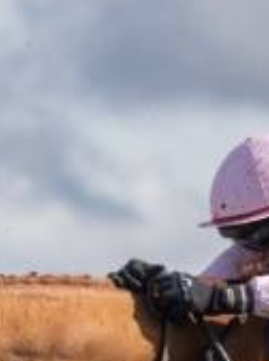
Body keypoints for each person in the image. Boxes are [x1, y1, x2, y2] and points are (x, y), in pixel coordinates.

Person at [114, 134, 269, 321]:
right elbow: (210, 284)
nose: (255, 251)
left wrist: (220, 298)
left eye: (262, 236)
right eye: (242, 239)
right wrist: (164, 286)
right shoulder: (253, 249)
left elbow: (223, 296)